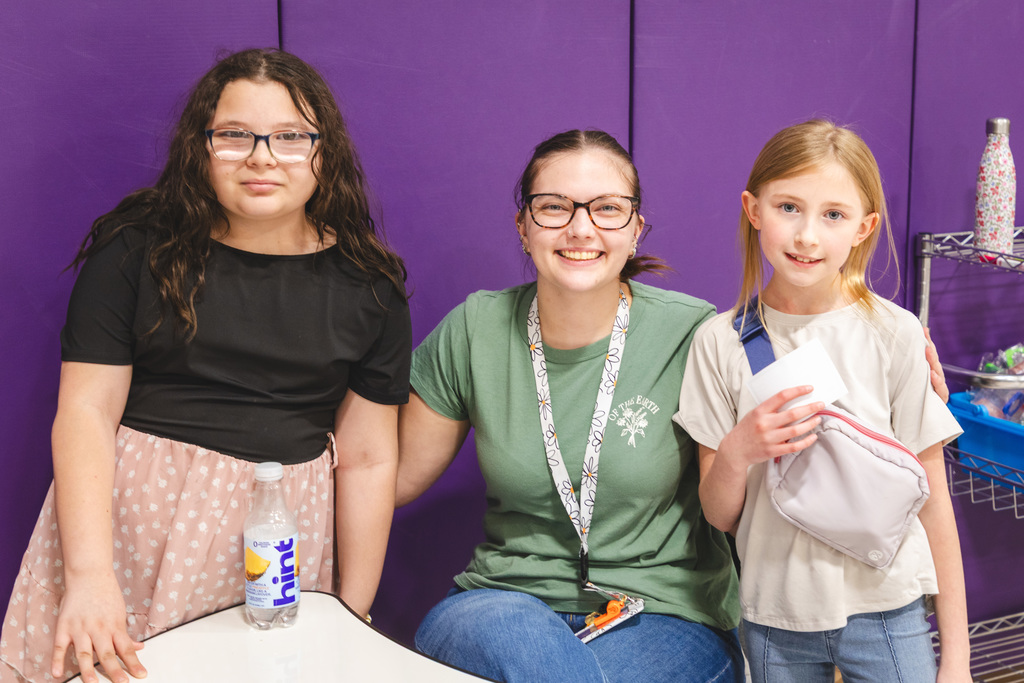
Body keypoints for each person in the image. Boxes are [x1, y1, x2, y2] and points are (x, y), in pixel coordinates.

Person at [0, 49, 411, 683]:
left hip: (281, 543)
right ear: (201, 145)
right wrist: (88, 577)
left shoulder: (370, 285)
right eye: (235, 135)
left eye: (290, 137)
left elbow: (368, 458)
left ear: (324, 150)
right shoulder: (137, 249)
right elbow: (85, 410)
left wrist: (351, 612)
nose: (262, 156)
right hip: (128, 535)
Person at [396, 129, 745, 683]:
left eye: (607, 209)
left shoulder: (696, 333)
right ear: (524, 226)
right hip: (502, 605)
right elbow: (388, 476)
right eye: (554, 207)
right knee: (522, 641)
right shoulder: (476, 327)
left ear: (635, 230)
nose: (581, 227)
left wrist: (884, 341)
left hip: (663, 612)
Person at [675, 120, 970, 682]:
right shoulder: (719, 342)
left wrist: (957, 659)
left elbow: (932, 497)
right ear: (753, 208)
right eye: (789, 207)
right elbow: (718, 514)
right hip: (771, 618)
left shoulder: (895, 333)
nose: (807, 235)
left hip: (889, 606)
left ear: (865, 227)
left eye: (833, 215)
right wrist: (739, 449)